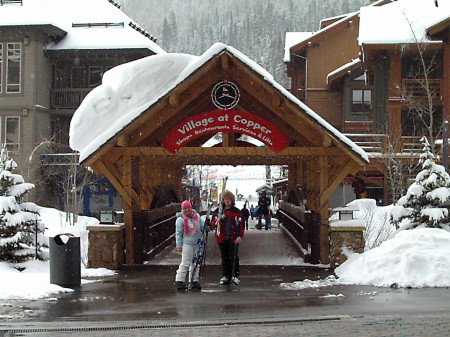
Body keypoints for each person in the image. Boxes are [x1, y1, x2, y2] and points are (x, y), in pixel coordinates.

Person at [211, 190, 245, 285]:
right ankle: (226, 275)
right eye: (225, 199)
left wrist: (240, 236)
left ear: (232, 200)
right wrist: (217, 221)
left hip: (233, 237)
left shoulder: (237, 212)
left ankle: (235, 275)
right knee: (224, 257)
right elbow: (213, 223)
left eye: (229, 199)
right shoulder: (218, 211)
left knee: (234, 257)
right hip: (222, 238)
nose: (227, 201)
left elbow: (242, 225)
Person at [175, 200, 207, 291]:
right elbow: (178, 234)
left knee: (196, 263)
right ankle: (179, 281)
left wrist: (206, 226)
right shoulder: (180, 219)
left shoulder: (197, 217)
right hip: (187, 244)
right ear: (182, 209)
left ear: (191, 207)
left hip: (196, 243)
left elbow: (201, 227)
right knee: (185, 263)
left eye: (188, 208)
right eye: (185, 208)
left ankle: (194, 281)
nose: (187, 210)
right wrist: (179, 245)